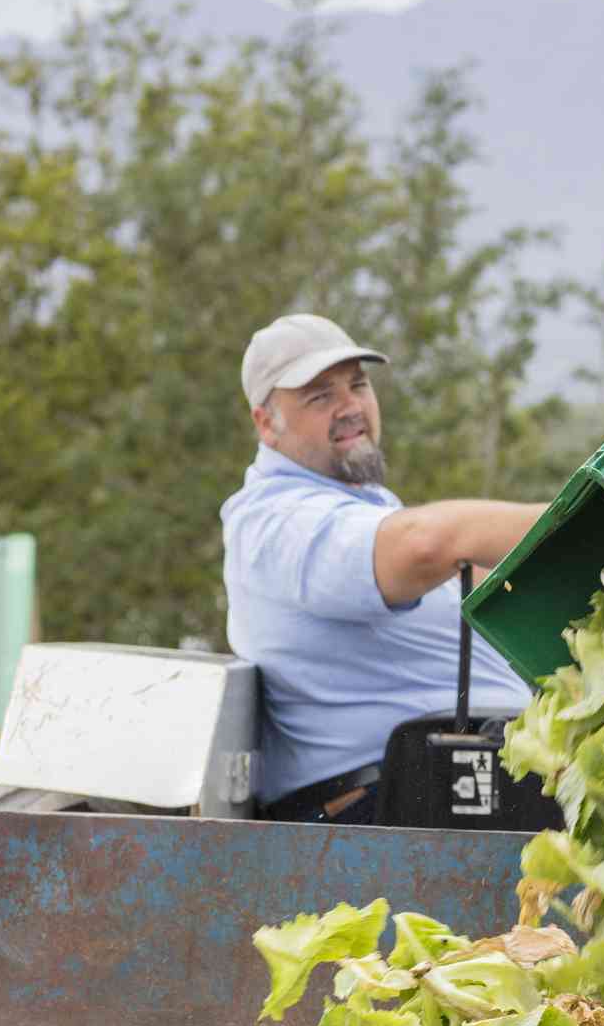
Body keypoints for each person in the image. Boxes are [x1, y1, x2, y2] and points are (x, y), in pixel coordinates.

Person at [221, 313, 545, 824]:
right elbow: (428, 543)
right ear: (266, 423)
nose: (350, 407)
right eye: (319, 396)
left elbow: (499, 585)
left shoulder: (366, 510)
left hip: (469, 790)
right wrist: (591, 516)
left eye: (357, 384)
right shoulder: (272, 521)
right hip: (382, 818)